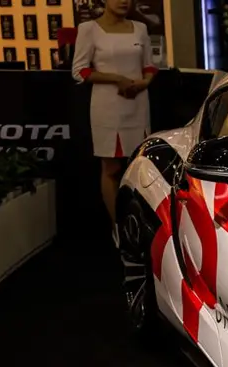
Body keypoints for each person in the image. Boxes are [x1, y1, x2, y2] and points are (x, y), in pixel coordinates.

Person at [72, 0, 157, 226]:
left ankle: (140, 223)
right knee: (112, 168)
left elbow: (149, 66)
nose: (124, 1)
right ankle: (117, 225)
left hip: (138, 103)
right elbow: (79, 71)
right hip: (108, 106)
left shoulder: (140, 28)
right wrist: (116, 79)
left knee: (139, 165)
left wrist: (144, 82)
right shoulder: (89, 29)